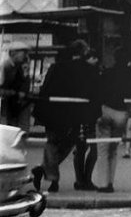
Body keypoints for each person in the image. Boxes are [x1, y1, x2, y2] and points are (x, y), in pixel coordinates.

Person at [33, 41, 92, 193]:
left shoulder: (56, 67)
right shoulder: (83, 69)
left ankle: (48, 174)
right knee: (68, 142)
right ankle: (48, 173)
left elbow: (46, 88)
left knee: (52, 143)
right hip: (72, 114)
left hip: (52, 112)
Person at [96, 47, 131, 193]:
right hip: (122, 113)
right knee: (113, 149)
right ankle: (110, 183)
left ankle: (103, 183)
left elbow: (99, 90)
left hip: (105, 110)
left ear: (115, 58)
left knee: (102, 149)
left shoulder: (107, 73)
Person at [71, 48, 102, 191]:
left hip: (80, 115)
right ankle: (85, 179)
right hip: (90, 115)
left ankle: (81, 179)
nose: (96, 61)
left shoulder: (78, 73)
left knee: (81, 148)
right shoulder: (94, 74)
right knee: (90, 149)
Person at [0, 41, 32, 128]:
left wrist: (26, 74)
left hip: (15, 102)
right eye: (23, 52)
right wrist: (14, 93)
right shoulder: (5, 66)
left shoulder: (19, 67)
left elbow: (24, 84)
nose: (25, 55)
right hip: (7, 103)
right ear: (13, 53)